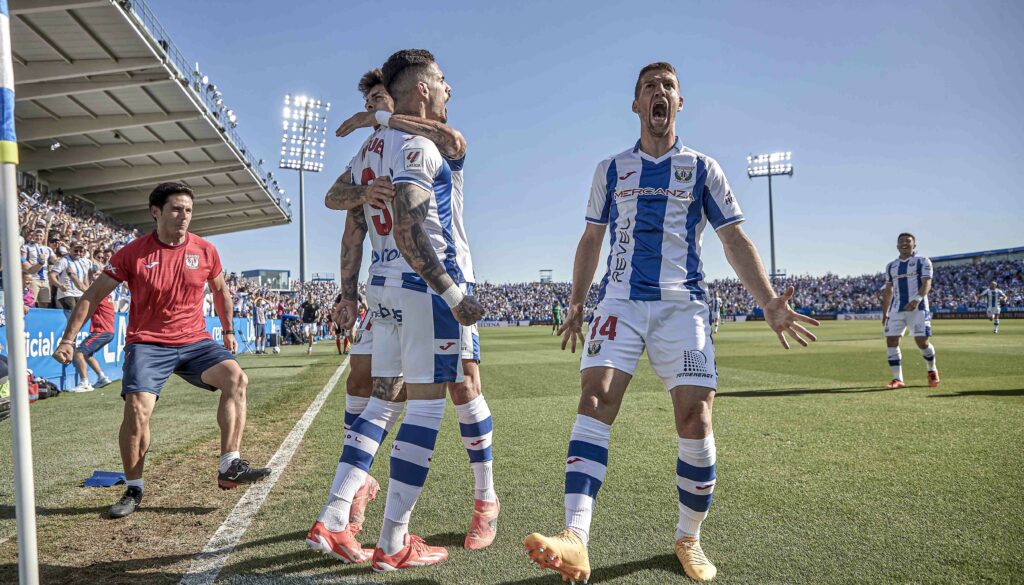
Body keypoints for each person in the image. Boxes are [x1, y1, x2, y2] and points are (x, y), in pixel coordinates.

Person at [522, 62, 819, 583]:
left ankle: (688, 538)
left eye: (668, 87)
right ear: (636, 105)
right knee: (595, 398)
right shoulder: (611, 170)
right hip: (620, 302)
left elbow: (733, 240)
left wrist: (769, 300)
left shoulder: (704, 168)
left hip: (684, 308)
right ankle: (575, 538)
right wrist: (576, 301)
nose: (659, 93)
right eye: (649, 88)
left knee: (696, 420)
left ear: (680, 103)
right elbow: (592, 239)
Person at [308, 60, 495, 569]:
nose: (449, 89)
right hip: (428, 284)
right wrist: (454, 295)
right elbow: (412, 228)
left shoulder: (371, 147)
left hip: (383, 287)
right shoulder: (420, 147)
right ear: (420, 89)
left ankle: (333, 513)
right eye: (441, 82)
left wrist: (376, 126)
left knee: (384, 402)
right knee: (428, 406)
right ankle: (394, 542)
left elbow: (343, 208)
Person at [51, 182, 271, 519]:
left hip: (195, 340)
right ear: (156, 212)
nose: (183, 217)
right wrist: (69, 339)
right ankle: (134, 487)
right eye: (176, 209)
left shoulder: (205, 250)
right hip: (148, 342)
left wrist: (227, 330)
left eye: (188, 210)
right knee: (137, 411)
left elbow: (221, 291)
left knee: (236, 379)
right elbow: (91, 296)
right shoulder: (133, 253)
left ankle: (230, 464)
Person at [881, 233, 939, 389]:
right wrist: (885, 312)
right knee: (891, 340)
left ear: (914, 244)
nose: (904, 244)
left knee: (922, 342)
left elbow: (927, 283)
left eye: (908, 241)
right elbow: (888, 290)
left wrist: (916, 300)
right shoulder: (891, 266)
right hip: (896, 309)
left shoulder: (923, 261)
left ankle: (932, 370)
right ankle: (897, 379)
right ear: (897, 245)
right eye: (901, 241)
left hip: (918, 309)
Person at [67, 248, 116, 393]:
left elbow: (84, 288)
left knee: (78, 353)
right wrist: (90, 274)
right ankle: (102, 377)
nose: (95, 278)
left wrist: (72, 275)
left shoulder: (100, 293)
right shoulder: (106, 292)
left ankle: (84, 383)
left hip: (103, 331)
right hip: (107, 331)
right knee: (86, 354)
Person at [49, 241, 91, 316]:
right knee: (73, 315)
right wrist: (60, 285)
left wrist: (87, 292)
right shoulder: (63, 261)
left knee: (80, 316)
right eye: (75, 250)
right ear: (70, 250)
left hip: (80, 293)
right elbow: (52, 275)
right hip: (67, 293)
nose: (78, 253)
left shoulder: (83, 262)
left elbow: (85, 279)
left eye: (81, 251)